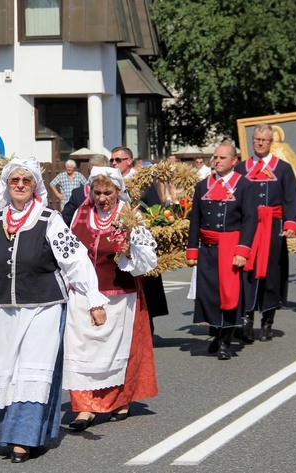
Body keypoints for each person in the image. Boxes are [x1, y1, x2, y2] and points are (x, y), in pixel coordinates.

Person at [0, 159, 108, 463]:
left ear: (35, 187)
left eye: (26, 181)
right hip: (3, 309)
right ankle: (11, 433)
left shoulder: (49, 219)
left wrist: (94, 299)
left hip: (44, 307)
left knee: (33, 371)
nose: (19, 185)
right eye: (14, 180)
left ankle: (25, 439)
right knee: (8, 371)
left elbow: (76, 261)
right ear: (6, 185)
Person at [64, 167, 158, 429]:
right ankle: (84, 407)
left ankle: (118, 399)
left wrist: (129, 252)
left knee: (114, 350)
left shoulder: (130, 217)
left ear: (118, 191)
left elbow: (148, 261)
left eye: (108, 192)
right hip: (82, 294)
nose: (102, 197)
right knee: (80, 348)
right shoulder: (81, 214)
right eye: (97, 192)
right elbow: (68, 253)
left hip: (118, 295)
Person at [186, 142, 258, 359]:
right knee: (210, 295)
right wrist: (192, 250)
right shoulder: (202, 186)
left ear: (234, 161)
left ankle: (225, 342)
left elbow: (250, 221)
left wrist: (242, 251)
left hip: (230, 249)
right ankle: (216, 333)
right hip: (208, 249)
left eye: (222, 158)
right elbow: (195, 220)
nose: (216, 161)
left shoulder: (244, 186)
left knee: (228, 295)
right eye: (215, 157)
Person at [235, 124, 296, 344]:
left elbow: (291, 197)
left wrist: (290, 224)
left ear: (271, 142)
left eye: (264, 140)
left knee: (272, 272)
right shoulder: (242, 168)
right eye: (256, 140)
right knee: (246, 271)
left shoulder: (282, 168)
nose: (260, 143)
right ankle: (246, 320)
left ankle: (268, 321)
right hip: (249, 228)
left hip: (273, 227)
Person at [111, 146, 169, 332]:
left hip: (140, 239)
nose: (114, 163)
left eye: (118, 160)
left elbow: (155, 209)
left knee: (146, 287)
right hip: (120, 241)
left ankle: (147, 327)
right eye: (112, 160)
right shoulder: (111, 183)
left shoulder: (141, 182)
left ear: (129, 160)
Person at [61, 154, 109, 226]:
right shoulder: (78, 194)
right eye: (93, 171)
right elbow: (65, 220)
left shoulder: (116, 192)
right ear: (88, 170)